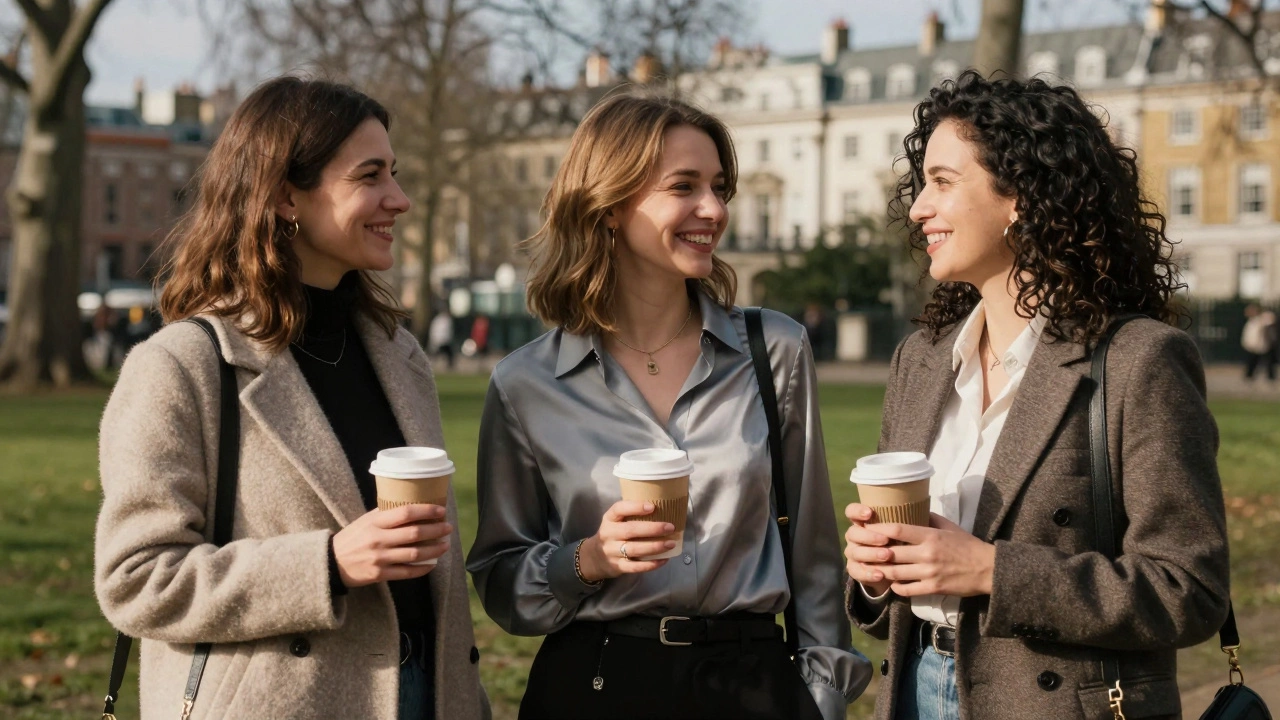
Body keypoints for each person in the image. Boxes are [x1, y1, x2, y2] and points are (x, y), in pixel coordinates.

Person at [466, 92, 870, 720]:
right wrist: (586, 561)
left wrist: (822, 695)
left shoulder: (776, 350)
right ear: (608, 206)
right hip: (595, 687)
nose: (713, 209)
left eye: (719, 186)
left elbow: (815, 554)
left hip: (753, 686)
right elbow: (499, 580)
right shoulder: (526, 384)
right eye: (684, 186)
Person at [94, 77, 488, 720]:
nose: (401, 198)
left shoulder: (401, 357)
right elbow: (137, 579)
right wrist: (327, 564)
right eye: (370, 176)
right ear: (284, 196)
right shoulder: (182, 366)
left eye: (395, 172)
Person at [842, 70, 1230, 720]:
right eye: (921, 184)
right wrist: (877, 574)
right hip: (914, 690)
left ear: (1019, 195)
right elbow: (894, 607)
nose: (916, 208)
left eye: (942, 182)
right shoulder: (922, 359)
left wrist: (993, 571)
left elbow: (1189, 590)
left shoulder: (1138, 361)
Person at [1242, 303, 1277, 382]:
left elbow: (1271, 319)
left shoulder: (1261, 319)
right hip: (1253, 346)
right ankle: (1249, 376)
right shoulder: (1251, 322)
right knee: (1252, 363)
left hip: (1262, 345)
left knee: (1268, 363)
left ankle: (1271, 377)